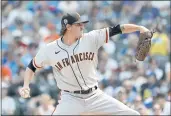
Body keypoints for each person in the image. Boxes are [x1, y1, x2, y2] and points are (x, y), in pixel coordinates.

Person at [19, 12, 150, 115]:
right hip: (70, 99)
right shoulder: (50, 49)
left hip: (95, 96)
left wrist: (139, 28)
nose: (82, 26)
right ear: (68, 27)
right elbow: (32, 66)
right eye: (78, 25)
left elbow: (117, 29)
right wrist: (26, 85)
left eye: (82, 24)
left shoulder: (91, 38)